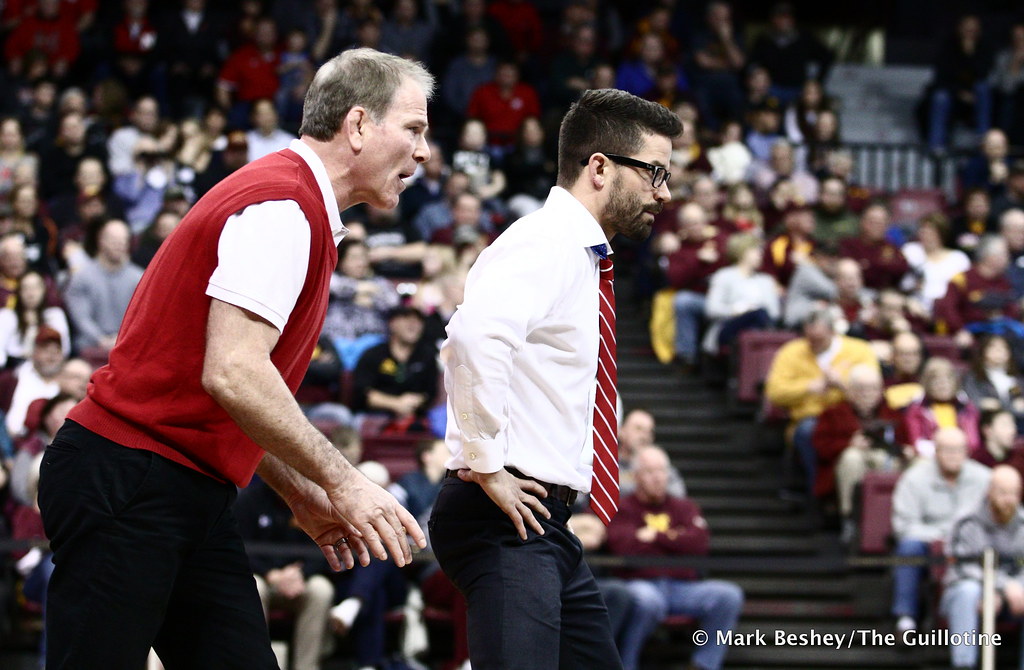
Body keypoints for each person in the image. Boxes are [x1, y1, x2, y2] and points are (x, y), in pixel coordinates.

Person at [37, 48, 431, 670]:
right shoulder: (283, 208)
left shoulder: (292, 202)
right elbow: (234, 373)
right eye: (413, 129)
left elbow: (233, 393)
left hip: (179, 482)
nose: (424, 152)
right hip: (133, 474)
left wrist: (299, 490)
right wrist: (344, 481)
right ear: (358, 125)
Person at [429, 88, 681, 669]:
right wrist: (486, 464)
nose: (664, 193)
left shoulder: (581, 253)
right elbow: (472, 339)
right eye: (654, 173)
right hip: (503, 512)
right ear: (600, 168)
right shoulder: (547, 241)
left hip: (543, 520)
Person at [607, 446, 743, 670]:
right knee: (647, 601)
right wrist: (675, 537)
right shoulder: (622, 508)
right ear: (636, 476)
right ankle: (625, 665)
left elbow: (699, 544)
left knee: (728, 595)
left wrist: (654, 536)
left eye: (662, 471)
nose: (658, 477)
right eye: (650, 471)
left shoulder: (685, 507)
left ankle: (703, 665)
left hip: (682, 588)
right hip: (641, 584)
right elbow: (623, 547)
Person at [889, 427, 990, 636]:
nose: (953, 455)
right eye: (947, 450)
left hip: (972, 546)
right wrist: (940, 537)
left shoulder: (984, 478)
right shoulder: (914, 478)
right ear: (935, 452)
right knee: (908, 547)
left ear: (967, 451)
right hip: (928, 543)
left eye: (959, 450)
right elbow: (904, 525)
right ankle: (905, 619)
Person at [941, 465, 1024, 670]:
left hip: (1013, 597)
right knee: (968, 591)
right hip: (969, 593)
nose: (1009, 499)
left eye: (1014, 493)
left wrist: (1013, 588)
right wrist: (999, 587)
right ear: (989, 491)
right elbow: (962, 566)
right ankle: (964, 665)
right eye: (1003, 493)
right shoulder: (966, 521)